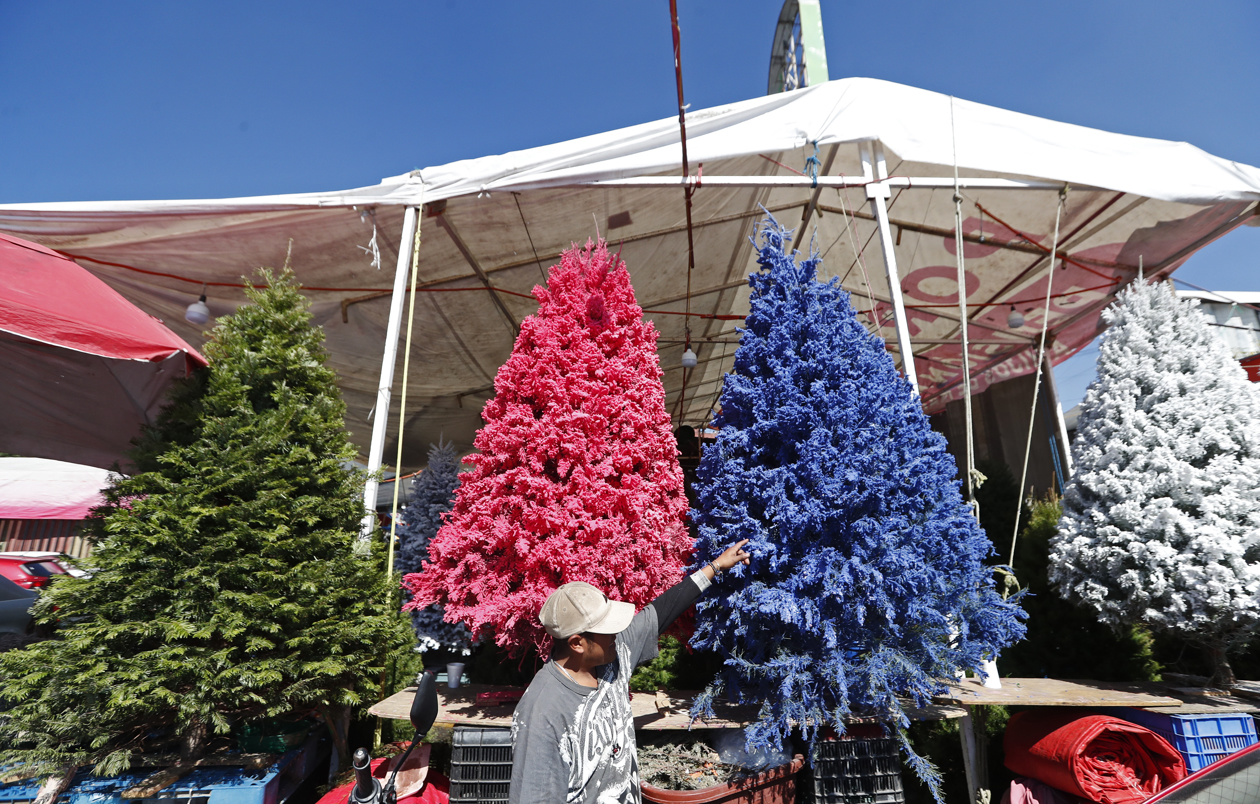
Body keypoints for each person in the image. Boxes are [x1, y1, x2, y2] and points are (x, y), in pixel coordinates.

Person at [508, 540, 751, 804]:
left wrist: (715, 567)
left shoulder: (613, 655)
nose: (616, 633)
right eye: (606, 630)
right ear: (577, 643)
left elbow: (661, 611)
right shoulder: (542, 712)